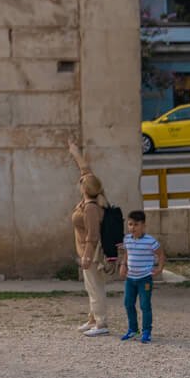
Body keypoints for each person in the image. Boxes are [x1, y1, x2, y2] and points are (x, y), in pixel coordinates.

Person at [67, 138, 110, 336]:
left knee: (95, 287)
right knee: (90, 285)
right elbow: (86, 169)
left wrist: (86, 255)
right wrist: (74, 151)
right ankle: (93, 319)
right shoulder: (93, 194)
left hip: (91, 252)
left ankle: (101, 323)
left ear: (85, 189)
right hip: (87, 251)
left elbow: (93, 235)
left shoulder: (91, 207)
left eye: (82, 182)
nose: (80, 181)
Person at [117, 209, 164, 342]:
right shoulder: (127, 239)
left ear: (143, 225)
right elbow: (127, 253)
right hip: (130, 278)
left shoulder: (150, 241)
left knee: (145, 305)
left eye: (136, 225)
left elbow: (160, 254)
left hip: (145, 279)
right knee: (128, 303)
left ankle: (147, 332)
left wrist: (159, 268)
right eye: (130, 224)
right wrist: (123, 265)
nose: (133, 228)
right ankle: (133, 329)